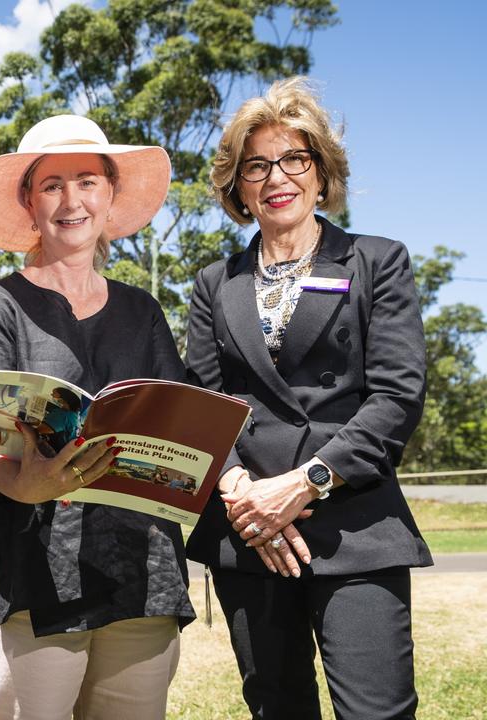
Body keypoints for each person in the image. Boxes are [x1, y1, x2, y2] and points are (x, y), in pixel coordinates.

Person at [184, 77, 430, 720]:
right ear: (238, 186)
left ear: (322, 174)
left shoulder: (377, 262)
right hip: (249, 533)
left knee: (376, 711)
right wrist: (242, 494)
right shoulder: (214, 285)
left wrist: (302, 485)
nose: (276, 177)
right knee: (276, 706)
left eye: (295, 159)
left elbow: (397, 395)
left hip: (355, 524)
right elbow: (203, 401)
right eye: (256, 165)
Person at [0, 114, 194, 719]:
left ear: (109, 196)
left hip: (140, 569)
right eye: (52, 185)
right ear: (30, 204)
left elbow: (180, 425)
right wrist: (21, 482)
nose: (71, 200)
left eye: (87, 181)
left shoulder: (143, 311)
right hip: (25, 567)